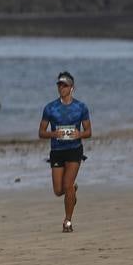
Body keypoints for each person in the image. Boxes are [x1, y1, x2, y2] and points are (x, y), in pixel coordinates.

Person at [39, 71, 91, 232]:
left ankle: (67, 221)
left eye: (65, 85)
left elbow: (88, 131)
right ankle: (72, 191)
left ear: (72, 88)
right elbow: (41, 132)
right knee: (58, 190)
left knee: (67, 184)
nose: (61, 88)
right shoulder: (50, 108)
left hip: (74, 150)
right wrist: (53, 134)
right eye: (59, 85)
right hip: (57, 151)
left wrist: (79, 134)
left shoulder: (81, 107)